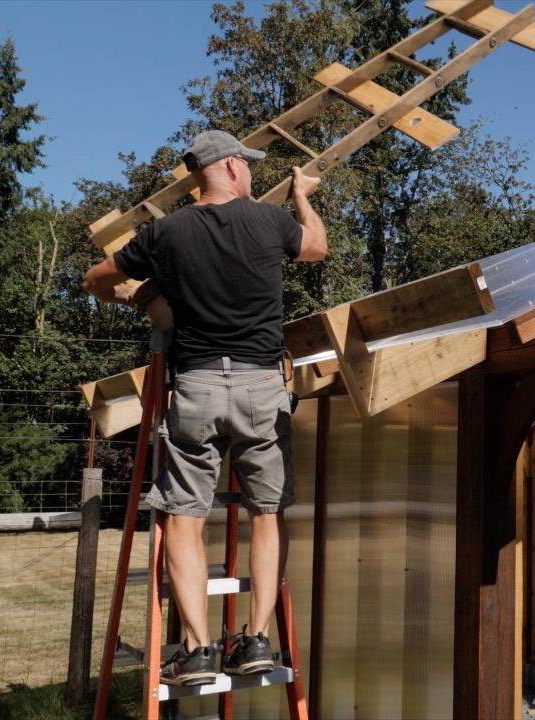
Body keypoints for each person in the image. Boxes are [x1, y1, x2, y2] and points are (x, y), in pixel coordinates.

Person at [82, 129, 327, 686]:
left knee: (184, 518)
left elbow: (95, 279)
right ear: (236, 167)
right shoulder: (270, 223)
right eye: (250, 167)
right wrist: (301, 196)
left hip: (194, 386)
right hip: (261, 384)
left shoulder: (165, 233)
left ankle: (196, 650)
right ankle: (257, 639)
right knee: (267, 513)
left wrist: (147, 298)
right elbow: (317, 247)